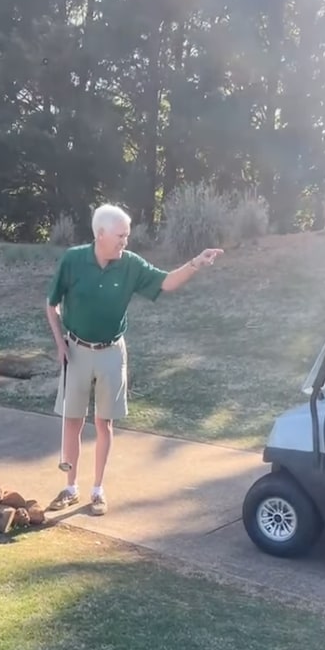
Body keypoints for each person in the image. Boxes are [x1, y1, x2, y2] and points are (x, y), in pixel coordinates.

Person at [45, 203, 223, 516]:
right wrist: (60, 343)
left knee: (105, 422)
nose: (125, 241)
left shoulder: (130, 264)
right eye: (121, 235)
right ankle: (70, 487)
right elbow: (51, 305)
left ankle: (97, 491)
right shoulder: (73, 260)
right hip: (75, 349)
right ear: (100, 234)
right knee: (72, 421)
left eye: (127, 235)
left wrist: (196, 263)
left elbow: (166, 282)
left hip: (112, 351)